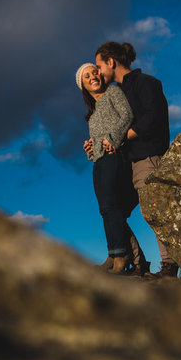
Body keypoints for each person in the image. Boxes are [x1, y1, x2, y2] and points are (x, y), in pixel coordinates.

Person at [94, 41, 176, 279]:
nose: (98, 72)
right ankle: (137, 262)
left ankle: (170, 266)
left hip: (147, 158)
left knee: (156, 212)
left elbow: (152, 119)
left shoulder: (147, 83)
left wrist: (120, 136)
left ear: (111, 62)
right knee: (114, 210)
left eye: (99, 66)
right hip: (125, 163)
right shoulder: (115, 93)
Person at [76, 62, 145, 275]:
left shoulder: (113, 91)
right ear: (83, 86)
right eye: (87, 76)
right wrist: (90, 148)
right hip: (100, 160)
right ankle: (113, 253)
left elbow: (127, 116)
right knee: (105, 208)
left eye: (94, 72)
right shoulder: (93, 112)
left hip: (116, 156)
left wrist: (111, 139)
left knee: (112, 206)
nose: (93, 77)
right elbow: (99, 141)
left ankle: (121, 256)